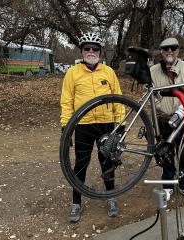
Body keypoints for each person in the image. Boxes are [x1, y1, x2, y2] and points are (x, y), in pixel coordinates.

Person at [60, 32, 125, 222]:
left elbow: (118, 98)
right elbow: (67, 101)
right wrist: (66, 126)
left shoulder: (108, 72)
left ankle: (110, 197)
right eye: (87, 48)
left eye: (94, 49)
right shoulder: (72, 73)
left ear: (100, 52)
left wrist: (121, 125)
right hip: (83, 125)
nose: (90, 51)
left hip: (106, 124)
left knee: (107, 161)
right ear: (81, 51)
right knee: (81, 163)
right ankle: (76, 203)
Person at [150, 37, 184, 201]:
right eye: (166, 49)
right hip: (163, 119)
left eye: (173, 48)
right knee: (166, 155)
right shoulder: (153, 71)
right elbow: (150, 94)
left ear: (178, 50)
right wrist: (160, 105)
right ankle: (168, 186)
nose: (169, 51)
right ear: (161, 52)